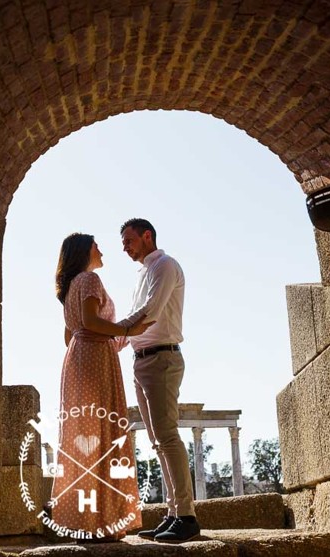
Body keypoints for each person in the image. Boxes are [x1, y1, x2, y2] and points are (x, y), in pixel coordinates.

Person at [50, 233, 153, 542]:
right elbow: (92, 322)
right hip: (94, 362)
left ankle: (83, 521)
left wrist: (119, 337)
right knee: (103, 435)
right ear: (84, 251)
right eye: (96, 245)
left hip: (77, 360)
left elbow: (73, 334)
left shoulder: (71, 287)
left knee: (83, 434)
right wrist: (126, 328)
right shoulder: (90, 281)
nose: (102, 249)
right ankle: (101, 522)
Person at [115, 218, 200, 543]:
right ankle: (173, 513)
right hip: (142, 361)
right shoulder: (143, 273)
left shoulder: (165, 266)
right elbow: (138, 318)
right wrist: (116, 342)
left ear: (147, 236)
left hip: (162, 357)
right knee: (158, 440)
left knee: (167, 436)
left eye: (129, 240)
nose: (125, 247)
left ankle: (187, 516)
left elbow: (150, 312)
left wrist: (112, 335)